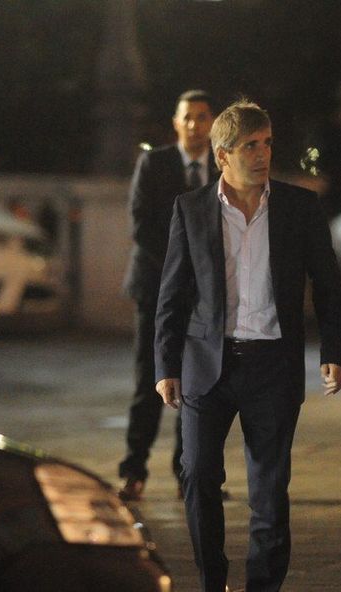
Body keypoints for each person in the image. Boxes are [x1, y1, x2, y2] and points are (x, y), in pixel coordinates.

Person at [154, 99, 341, 592]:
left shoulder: (299, 208)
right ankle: (212, 580)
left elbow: (329, 285)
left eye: (267, 144)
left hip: (272, 366)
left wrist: (334, 353)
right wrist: (166, 365)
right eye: (250, 146)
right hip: (208, 365)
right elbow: (172, 294)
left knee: (269, 492)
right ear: (222, 156)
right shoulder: (191, 209)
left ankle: (262, 585)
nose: (262, 155)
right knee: (197, 476)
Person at [118, 89, 220, 501]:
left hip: (204, 296)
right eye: (187, 117)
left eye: (202, 117)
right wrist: (182, 270)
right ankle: (133, 470)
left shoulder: (222, 165)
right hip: (155, 289)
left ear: (213, 122)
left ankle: (188, 473)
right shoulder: (154, 164)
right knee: (149, 380)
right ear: (176, 123)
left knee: (196, 383)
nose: (195, 125)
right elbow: (140, 225)